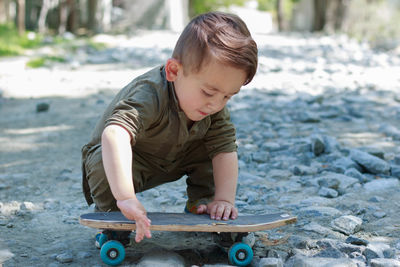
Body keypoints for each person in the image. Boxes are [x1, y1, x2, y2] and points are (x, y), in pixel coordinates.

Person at [81, 11, 258, 243]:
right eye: (208, 92)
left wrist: (224, 199)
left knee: (213, 146)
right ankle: (113, 216)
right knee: (102, 161)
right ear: (174, 70)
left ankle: (202, 202)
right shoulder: (149, 93)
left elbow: (225, 148)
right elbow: (114, 135)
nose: (215, 103)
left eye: (227, 96)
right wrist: (125, 197)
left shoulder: (212, 108)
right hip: (131, 161)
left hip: (175, 156)